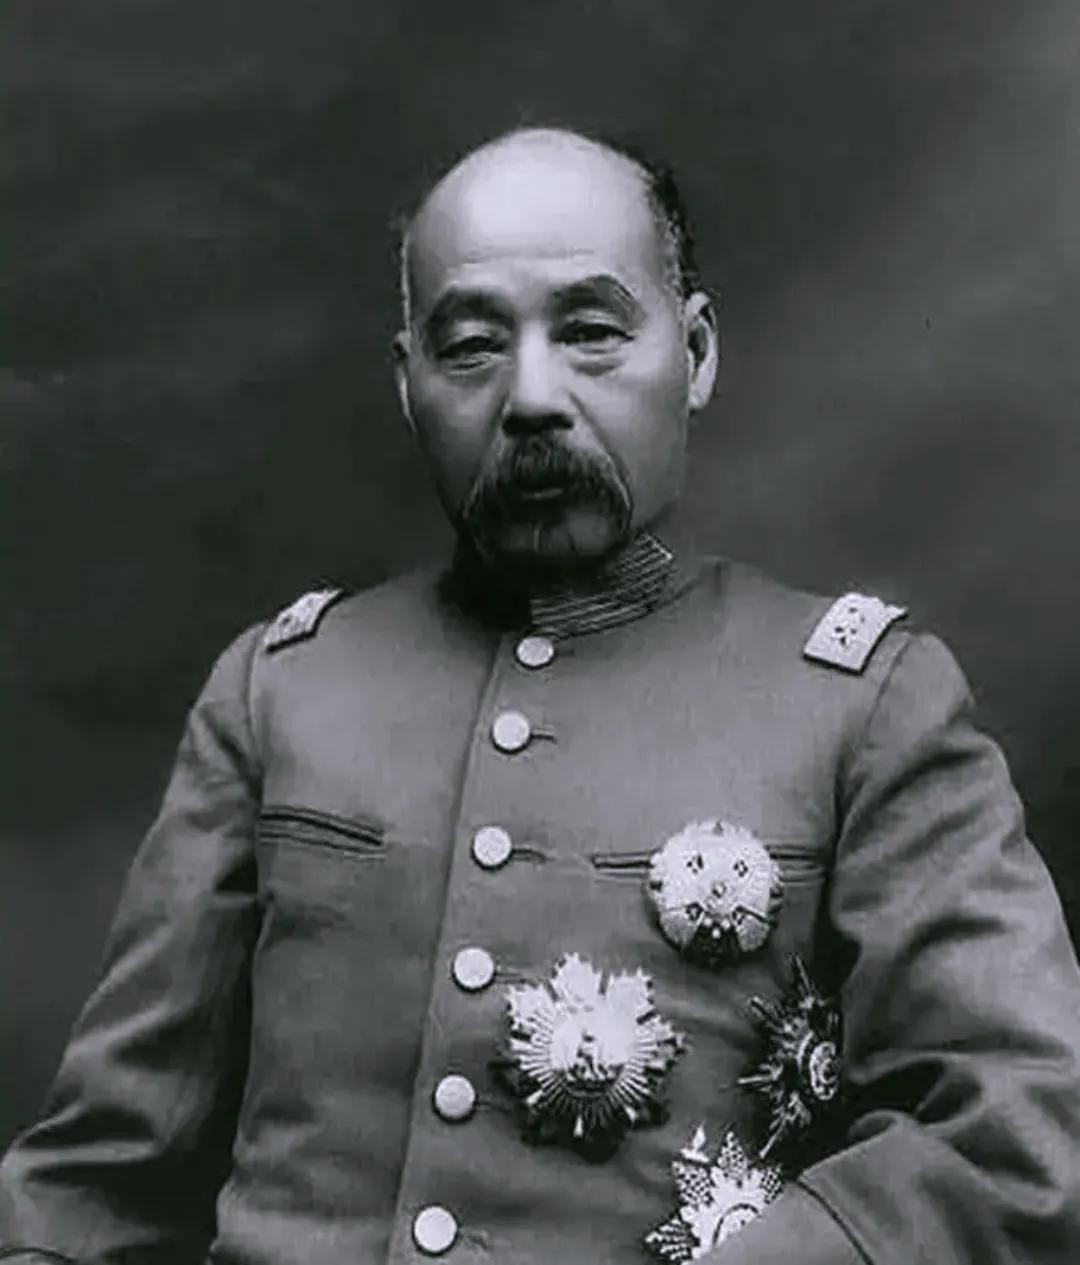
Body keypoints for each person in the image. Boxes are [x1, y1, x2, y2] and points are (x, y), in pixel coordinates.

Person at [2, 126, 1078, 1265]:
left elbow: (1015, 1139)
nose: (530, 396)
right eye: (470, 346)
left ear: (696, 353)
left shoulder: (865, 704)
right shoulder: (281, 689)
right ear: (407, 384)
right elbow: (94, 1189)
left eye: (591, 331)